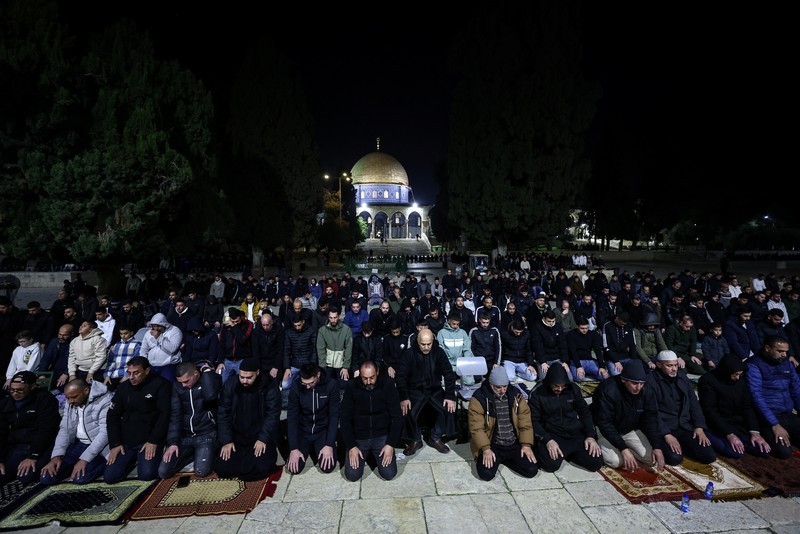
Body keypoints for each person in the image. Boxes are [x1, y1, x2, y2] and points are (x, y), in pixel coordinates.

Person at [104, 356, 172, 483]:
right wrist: (116, 443)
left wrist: (154, 440)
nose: (131, 377)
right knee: (110, 477)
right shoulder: (123, 388)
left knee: (146, 474)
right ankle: (132, 460)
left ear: (146, 371)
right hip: (127, 442)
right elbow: (112, 416)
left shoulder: (161, 385)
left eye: (136, 373)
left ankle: (143, 459)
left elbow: (165, 415)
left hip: (149, 440)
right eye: (129, 373)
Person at [591, 359, 666, 472]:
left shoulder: (647, 390)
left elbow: (650, 419)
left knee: (652, 459)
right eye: (635, 383)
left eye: (641, 383)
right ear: (623, 380)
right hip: (606, 431)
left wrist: (657, 446)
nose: (639, 387)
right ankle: (599, 443)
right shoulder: (607, 389)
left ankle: (627, 449)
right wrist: (623, 448)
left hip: (629, 430)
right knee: (616, 461)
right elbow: (605, 423)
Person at [214, 358, 281, 480]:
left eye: (249, 378)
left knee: (262, 466)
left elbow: (272, 414)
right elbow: (223, 413)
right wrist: (226, 440)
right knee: (222, 467)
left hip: (258, 436)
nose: (244, 381)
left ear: (258, 373)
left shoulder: (268, 385)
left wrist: (263, 438)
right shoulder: (231, 384)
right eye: (242, 377)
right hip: (236, 437)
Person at [467, 367, 538, 481]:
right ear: (491, 385)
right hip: (493, 444)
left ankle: (506, 459)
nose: (502, 390)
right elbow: (476, 428)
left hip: (513, 443)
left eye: (505, 386)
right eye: (498, 387)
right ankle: (500, 459)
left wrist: (526, 445)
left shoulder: (516, 395)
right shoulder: (479, 398)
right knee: (486, 474)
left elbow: (525, 421)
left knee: (531, 470)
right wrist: (486, 449)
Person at [529, 364, 603, 473]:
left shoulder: (573, 388)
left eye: (562, 386)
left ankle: (568, 454)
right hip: (552, 434)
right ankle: (561, 452)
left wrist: (590, 436)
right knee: (550, 465)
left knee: (595, 463)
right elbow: (533, 420)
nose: (560, 389)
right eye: (556, 386)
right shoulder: (537, 393)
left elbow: (584, 412)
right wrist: (547, 440)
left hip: (574, 433)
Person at [648, 350, 716, 465]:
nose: (674, 369)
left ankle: (683, 445)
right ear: (659, 365)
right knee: (675, 459)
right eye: (669, 366)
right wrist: (666, 435)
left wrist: (699, 426)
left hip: (684, 425)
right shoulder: (650, 381)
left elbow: (694, 403)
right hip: (664, 427)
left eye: (675, 365)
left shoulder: (682, 378)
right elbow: (651, 412)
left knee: (709, 456)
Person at [395, 329, 457, 455]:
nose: (426, 347)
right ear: (418, 341)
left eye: (429, 344)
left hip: (434, 390)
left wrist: (450, 395)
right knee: (407, 409)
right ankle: (416, 439)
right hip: (415, 391)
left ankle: (435, 437)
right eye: (423, 344)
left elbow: (449, 374)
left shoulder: (439, 352)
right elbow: (400, 376)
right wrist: (404, 397)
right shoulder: (409, 353)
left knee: (447, 407)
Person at [40, 378, 113, 485]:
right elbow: (65, 428)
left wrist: (84, 459)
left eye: (74, 397)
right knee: (46, 477)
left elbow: (104, 434)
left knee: (80, 478)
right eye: (67, 398)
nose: (70, 401)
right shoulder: (71, 401)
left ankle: (109, 463)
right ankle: (73, 467)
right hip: (80, 444)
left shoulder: (105, 400)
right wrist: (56, 456)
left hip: (101, 447)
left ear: (86, 391)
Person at [697, 354, 770, 458]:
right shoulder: (708, 380)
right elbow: (710, 411)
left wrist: (754, 432)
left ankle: (741, 442)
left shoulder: (740, 381)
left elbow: (747, 407)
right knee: (735, 452)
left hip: (736, 423)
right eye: (735, 375)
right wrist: (729, 434)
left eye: (739, 375)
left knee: (762, 450)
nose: (737, 378)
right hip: (715, 424)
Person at [158, 360, 222, 479]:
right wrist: (172, 443)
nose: (183, 385)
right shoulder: (177, 387)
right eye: (180, 382)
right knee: (163, 471)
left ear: (196, 374)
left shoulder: (209, 380)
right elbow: (175, 415)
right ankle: (193, 454)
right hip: (185, 437)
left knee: (201, 471)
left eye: (186, 381)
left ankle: (205, 453)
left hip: (206, 435)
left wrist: (207, 372)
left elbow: (210, 395)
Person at [340, 360, 402, 482]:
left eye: (372, 378)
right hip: (359, 437)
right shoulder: (352, 386)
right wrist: (352, 446)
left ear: (377, 372)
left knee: (389, 474)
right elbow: (345, 418)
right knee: (352, 475)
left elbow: (397, 417)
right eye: (365, 378)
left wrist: (390, 444)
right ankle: (367, 455)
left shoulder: (387, 385)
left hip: (381, 436)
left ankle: (375, 456)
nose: (368, 382)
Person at [0, 371, 60, 484]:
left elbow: (47, 429)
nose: (15, 393)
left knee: (26, 477)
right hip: (17, 445)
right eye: (12, 390)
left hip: (40, 444)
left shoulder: (45, 399)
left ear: (33, 386)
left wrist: (33, 455)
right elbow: (1, 431)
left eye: (20, 390)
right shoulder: (6, 403)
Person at [747, 336, 800, 459]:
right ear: (767, 348)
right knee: (784, 453)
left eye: (786, 351)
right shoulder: (754, 365)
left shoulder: (786, 363)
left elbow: (796, 389)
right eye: (780, 351)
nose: (784, 355)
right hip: (768, 417)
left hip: (787, 413)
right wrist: (774, 424)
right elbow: (756, 396)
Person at [286, 363, 339, 474]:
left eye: (311, 383)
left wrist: (329, 444)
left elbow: (334, 416)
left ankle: (319, 448)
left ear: (318, 375)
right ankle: (307, 449)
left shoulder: (331, 385)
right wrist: (293, 448)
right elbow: (292, 417)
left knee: (327, 467)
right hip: (303, 431)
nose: (307, 387)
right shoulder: (296, 386)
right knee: (294, 469)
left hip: (322, 430)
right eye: (304, 383)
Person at [316, 308, 353, 390]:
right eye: (331, 318)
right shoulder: (322, 331)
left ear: (339, 316)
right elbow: (320, 350)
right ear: (328, 317)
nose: (333, 320)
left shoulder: (346, 329)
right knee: (325, 385)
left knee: (344, 386)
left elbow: (348, 349)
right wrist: (322, 368)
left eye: (335, 317)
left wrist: (346, 367)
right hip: (328, 364)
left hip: (341, 364)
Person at [436, 312, 476, 385]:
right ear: (449, 321)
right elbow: (440, 349)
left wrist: (466, 361)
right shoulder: (441, 333)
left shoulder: (462, 332)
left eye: (457, 324)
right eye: (453, 324)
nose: (455, 326)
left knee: (470, 383)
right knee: (443, 384)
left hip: (461, 363)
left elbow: (467, 348)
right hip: (447, 363)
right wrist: (444, 362)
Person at [216, 308, 253, 383]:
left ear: (241, 317)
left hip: (241, 360)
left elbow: (242, 340)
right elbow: (221, 344)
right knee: (223, 383)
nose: (235, 323)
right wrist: (220, 362)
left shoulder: (248, 324)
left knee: (241, 384)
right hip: (227, 360)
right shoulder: (226, 326)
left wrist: (234, 326)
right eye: (233, 321)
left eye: (237, 321)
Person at [566, 317, 609, 382]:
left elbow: (598, 351)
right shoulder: (571, 334)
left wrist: (601, 366)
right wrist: (578, 367)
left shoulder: (592, 334)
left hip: (589, 360)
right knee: (578, 378)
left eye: (586, 328)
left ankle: (589, 374)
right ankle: (585, 373)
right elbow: (573, 352)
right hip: (577, 360)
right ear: (577, 326)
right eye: (582, 328)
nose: (585, 330)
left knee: (604, 376)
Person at [103, 325, 141, 391]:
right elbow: (111, 362)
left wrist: (127, 375)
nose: (123, 336)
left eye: (125, 333)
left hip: (128, 375)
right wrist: (107, 375)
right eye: (121, 334)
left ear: (131, 333)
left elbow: (136, 361)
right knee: (105, 392)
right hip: (114, 375)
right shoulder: (116, 345)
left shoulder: (137, 344)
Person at [39, 323, 74, 391]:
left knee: (62, 387)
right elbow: (46, 358)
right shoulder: (54, 341)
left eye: (64, 335)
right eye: (60, 334)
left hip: (68, 371)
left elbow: (74, 360)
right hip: (54, 371)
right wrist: (42, 374)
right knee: (42, 386)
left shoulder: (75, 343)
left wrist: (66, 373)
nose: (61, 337)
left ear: (71, 334)